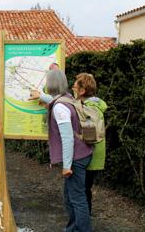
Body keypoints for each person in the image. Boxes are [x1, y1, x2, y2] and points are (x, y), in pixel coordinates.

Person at [41, 70, 93, 232]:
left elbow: (68, 138)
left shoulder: (59, 108)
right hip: (83, 152)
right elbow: (54, 100)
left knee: (77, 199)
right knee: (71, 197)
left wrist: (67, 166)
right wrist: (41, 96)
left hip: (75, 158)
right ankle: (72, 228)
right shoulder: (68, 98)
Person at [72, 73, 107, 215]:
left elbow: (89, 134)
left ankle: (83, 220)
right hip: (97, 154)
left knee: (82, 190)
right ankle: (85, 216)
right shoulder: (96, 103)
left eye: (75, 86)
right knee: (86, 188)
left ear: (82, 91)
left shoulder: (86, 107)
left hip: (89, 153)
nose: (72, 87)